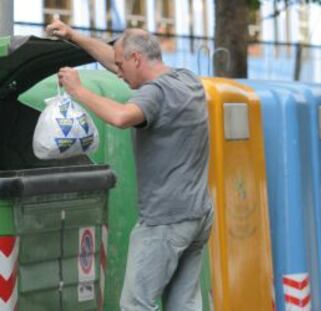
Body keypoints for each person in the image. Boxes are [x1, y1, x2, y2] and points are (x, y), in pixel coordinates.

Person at [46, 18, 213, 311]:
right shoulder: (187, 79)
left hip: (165, 220)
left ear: (136, 58)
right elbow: (116, 60)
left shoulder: (155, 94)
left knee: (136, 304)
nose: (117, 72)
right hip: (197, 215)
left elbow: (122, 117)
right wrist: (74, 36)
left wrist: (79, 91)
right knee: (183, 304)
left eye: (121, 66)